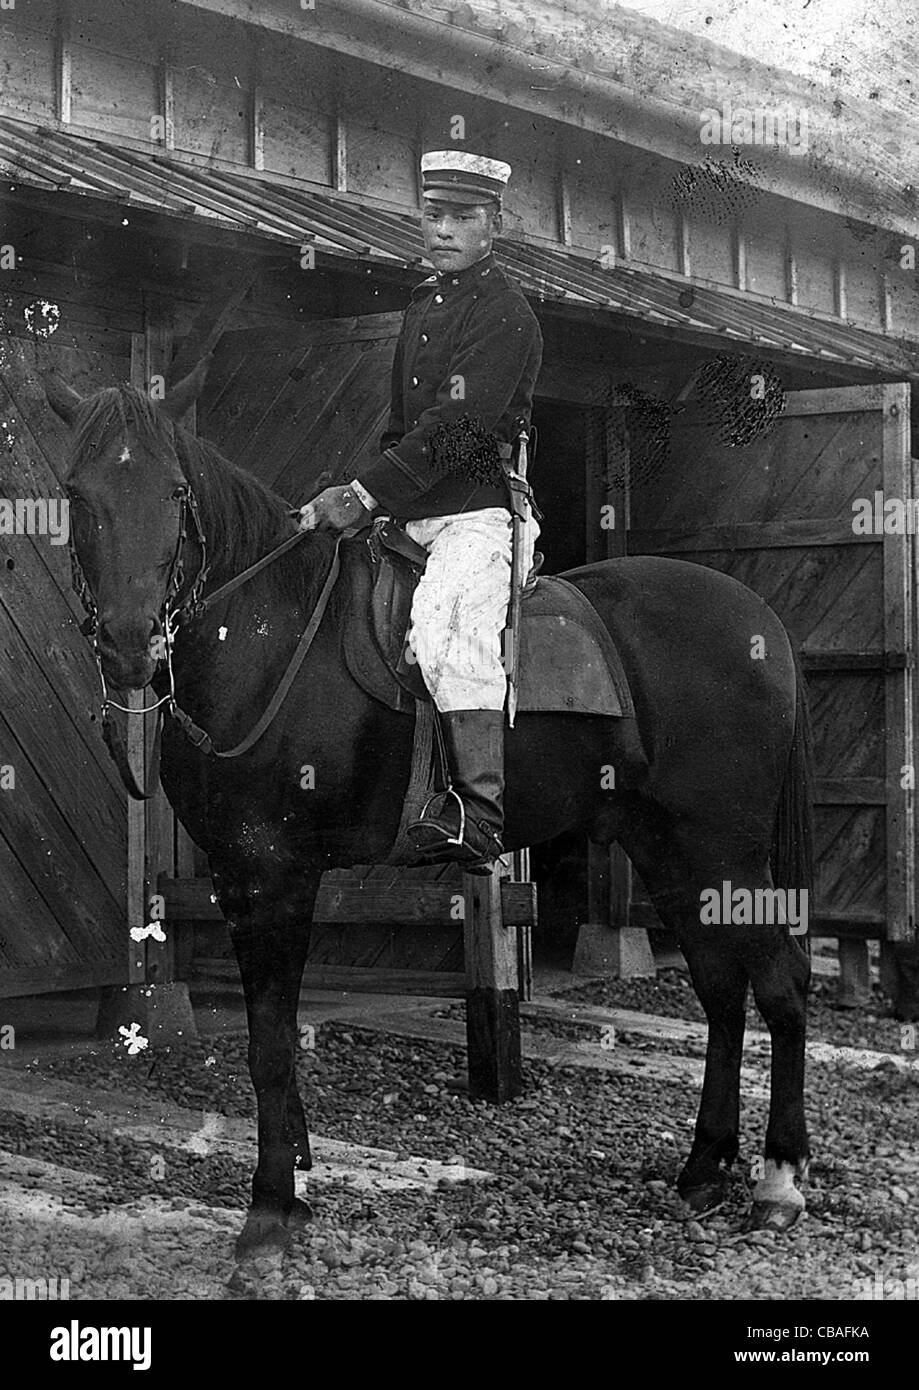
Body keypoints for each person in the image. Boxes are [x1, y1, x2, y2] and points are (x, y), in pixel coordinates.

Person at [299, 150, 543, 871]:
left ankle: (479, 813)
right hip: (408, 518)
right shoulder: (424, 304)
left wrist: (366, 492)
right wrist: (378, 507)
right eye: (433, 216)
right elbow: (403, 428)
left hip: (475, 512)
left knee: (444, 630)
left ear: (491, 226)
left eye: (460, 219)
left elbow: (459, 427)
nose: (442, 231)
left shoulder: (506, 314)